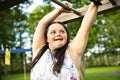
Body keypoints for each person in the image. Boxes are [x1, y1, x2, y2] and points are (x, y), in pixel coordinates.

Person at [30, 0, 101, 80]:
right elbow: (42, 24)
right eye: (53, 32)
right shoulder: (39, 51)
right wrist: (59, 10)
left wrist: (95, 3)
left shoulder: (73, 52)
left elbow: (85, 27)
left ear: (67, 36)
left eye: (62, 31)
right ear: (46, 38)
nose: (58, 34)